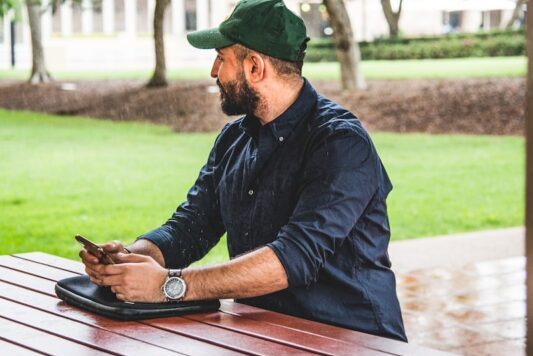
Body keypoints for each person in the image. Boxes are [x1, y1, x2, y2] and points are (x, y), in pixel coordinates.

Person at [80, 0, 407, 342]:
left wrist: (168, 285)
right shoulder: (234, 139)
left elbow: (293, 258)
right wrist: (130, 260)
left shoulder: (340, 143)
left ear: (254, 67)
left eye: (221, 58)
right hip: (267, 334)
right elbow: (192, 226)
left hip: (352, 339)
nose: (212, 71)